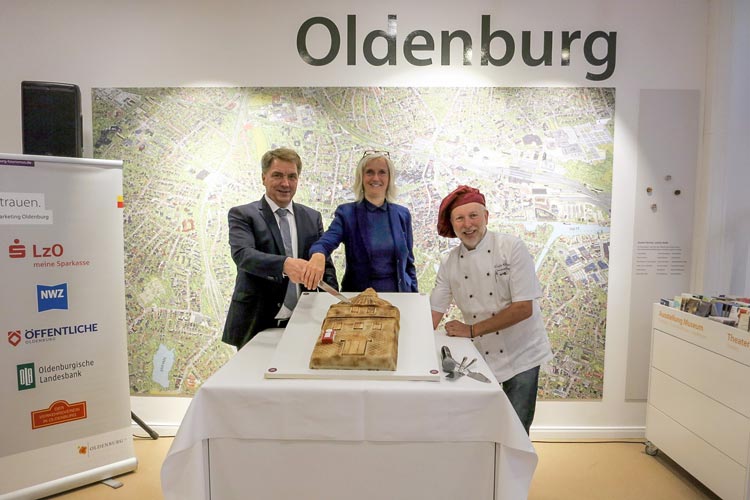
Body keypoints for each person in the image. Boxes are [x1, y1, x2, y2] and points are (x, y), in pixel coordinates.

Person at [430, 185, 552, 434]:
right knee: (483, 426)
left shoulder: (511, 248)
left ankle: (515, 474)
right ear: (452, 225)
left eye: (473, 215)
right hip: (483, 358)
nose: (468, 224)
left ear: (486, 216)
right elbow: (434, 311)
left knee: (516, 428)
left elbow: (522, 308)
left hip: (522, 354)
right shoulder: (449, 262)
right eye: (459, 218)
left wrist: (471, 329)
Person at [222, 147, 338, 349]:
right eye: (277, 175)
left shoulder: (312, 217)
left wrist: (332, 308)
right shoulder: (242, 215)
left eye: (292, 176)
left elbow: (325, 268)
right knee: (252, 380)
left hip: (305, 323)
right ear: (263, 178)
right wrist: (285, 265)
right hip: (257, 324)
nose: (286, 183)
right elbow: (243, 255)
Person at [302, 150, 418, 293]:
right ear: (361, 178)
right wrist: (318, 255)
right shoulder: (347, 214)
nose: (376, 178)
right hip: (359, 300)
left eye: (382, 172)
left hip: (400, 298)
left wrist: (414, 296)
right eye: (369, 172)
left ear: (390, 178)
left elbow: (409, 265)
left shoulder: (403, 214)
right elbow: (326, 242)